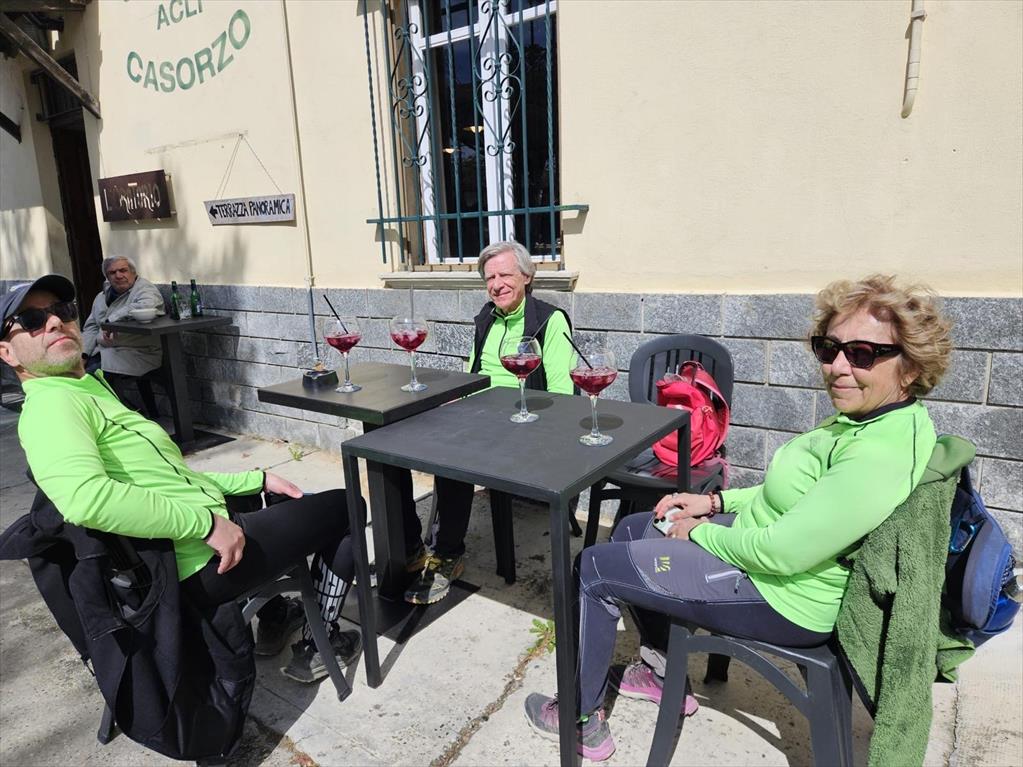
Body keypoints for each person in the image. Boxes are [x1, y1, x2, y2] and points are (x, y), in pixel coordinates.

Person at [523, 274, 953, 761]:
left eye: (862, 354)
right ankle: (662, 673)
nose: (837, 367)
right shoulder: (871, 417)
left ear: (910, 366)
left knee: (595, 568)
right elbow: (790, 495)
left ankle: (579, 719)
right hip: (767, 558)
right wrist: (714, 503)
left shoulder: (877, 453)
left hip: (779, 593)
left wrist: (700, 532)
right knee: (631, 528)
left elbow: (783, 552)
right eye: (829, 348)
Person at [0, 274, 360, 684]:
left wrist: (250, 479)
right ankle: (318, 642)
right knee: (347, 506)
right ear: (7, 352)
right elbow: (87, 499)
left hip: (194, 544)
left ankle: (275, 617)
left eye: (61, 311)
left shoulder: (87, 389)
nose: (53, 322)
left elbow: (165, 477)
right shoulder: (52, 406)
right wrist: (205, 525)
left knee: (281, 497)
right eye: (32, 320)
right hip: (196, 563)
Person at [402, 240, 576, 605]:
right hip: (481, 416)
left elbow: (562, 395)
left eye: (505, 275)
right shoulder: (487, 317)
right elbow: (473, 374)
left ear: (527, 276)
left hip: (529, 423)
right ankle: (406, 546)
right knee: (400, 438)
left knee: (455, 452)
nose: (496, 285)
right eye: (489, 278)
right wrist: (455, 402)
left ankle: (447, 553)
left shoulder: (549, 321)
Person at [81, 256, 165, 416]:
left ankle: (121, 417)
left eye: (123, 270)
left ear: (133, 273)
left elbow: (145, 305)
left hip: (140, 352)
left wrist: (110, 321)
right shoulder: (101, 297)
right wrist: (83, 354)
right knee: (75, 375)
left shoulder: (145, 290)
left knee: (93, 377)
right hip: (105, 351)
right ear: (107, 277)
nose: (118, 275)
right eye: (112, 273)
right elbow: (91, 327)